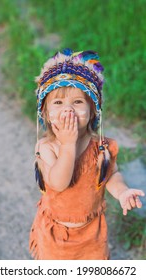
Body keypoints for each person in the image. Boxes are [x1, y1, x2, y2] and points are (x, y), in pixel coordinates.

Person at [29, 48, 145, 260]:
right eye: (58, 102)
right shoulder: (47, 147)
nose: (68, 110)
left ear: (93, 110)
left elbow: (111, 175)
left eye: (78, 102)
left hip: (92, 234)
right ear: (45, 113)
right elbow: (58, 183)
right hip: (56, 236)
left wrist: (122, 192)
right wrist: (68, 144)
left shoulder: (102, 147)